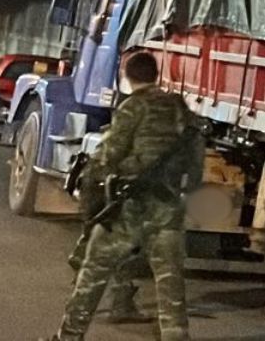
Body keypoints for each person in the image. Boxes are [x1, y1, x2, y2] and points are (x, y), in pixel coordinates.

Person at [42, 50, 203, 341]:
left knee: (93, 273)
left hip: (129, 209)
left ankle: (69, 337)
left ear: (126, 76)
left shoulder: (132, 108)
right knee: (170, 283)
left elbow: (108, 157)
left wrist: (92, 195)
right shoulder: (182, 110)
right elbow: (195, 168)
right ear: (156, 75)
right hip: (167, 209)